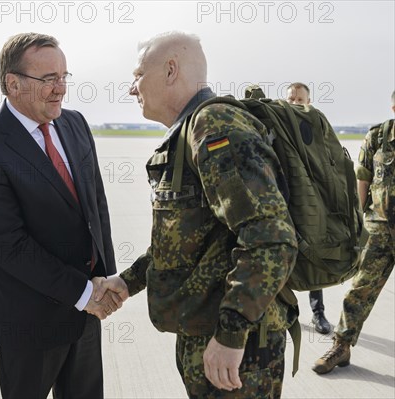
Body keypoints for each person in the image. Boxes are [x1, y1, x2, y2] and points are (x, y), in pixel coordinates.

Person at [109, 31, 298, 398]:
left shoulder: (215, 128)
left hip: (240, 347)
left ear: (169, 71)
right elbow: (194, 240)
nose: (132, 88)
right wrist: (128, 282)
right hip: (213, 335)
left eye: (137, 74)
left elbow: (271, 236)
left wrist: (230, 333)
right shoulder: (192, 131)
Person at [0, 32, 124, 399]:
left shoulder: (74, 123)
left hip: (85, 312)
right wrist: (84, 293)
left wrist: (104, 280)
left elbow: (96, 206)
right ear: (12, 83)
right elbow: (10, 247)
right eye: (48, 79)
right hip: (28, 322)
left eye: (64, 77)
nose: (60, 88)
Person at [313, 90, 395, 374]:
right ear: (394, 106)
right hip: (379, 230)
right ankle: (341, 346)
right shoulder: (378, 137)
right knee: (359, 290)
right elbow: (363, 177)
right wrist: (359, 220)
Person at [286, 82, 332, 335]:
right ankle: (284, 313)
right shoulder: (276, 124)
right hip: (284, 200)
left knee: (313, 256)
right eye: (290, 98)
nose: (294, 102)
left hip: (310, 201)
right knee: (281, 256)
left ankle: (318, 313)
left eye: (299, 99)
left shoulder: (315, 125)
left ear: (308, 101)